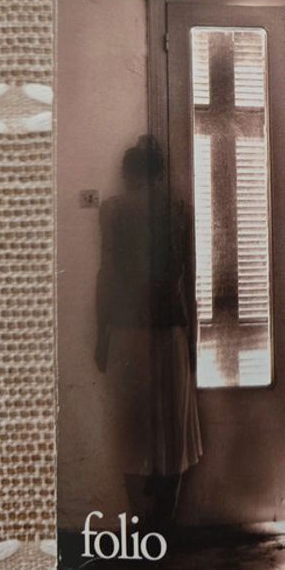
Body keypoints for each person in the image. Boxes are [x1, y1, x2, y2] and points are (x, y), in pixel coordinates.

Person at [95, 135, 202, 533]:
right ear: (159, 174)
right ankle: (163, 521)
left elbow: (106, 275)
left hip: (127, 330)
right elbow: (187, 282)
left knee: (132, 427)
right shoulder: (179, 210)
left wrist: (101, 333)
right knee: (172, 430)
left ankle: (140, 522)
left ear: (128, 174)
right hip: (171, 330)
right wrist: (191, 339)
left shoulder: (113, 210)